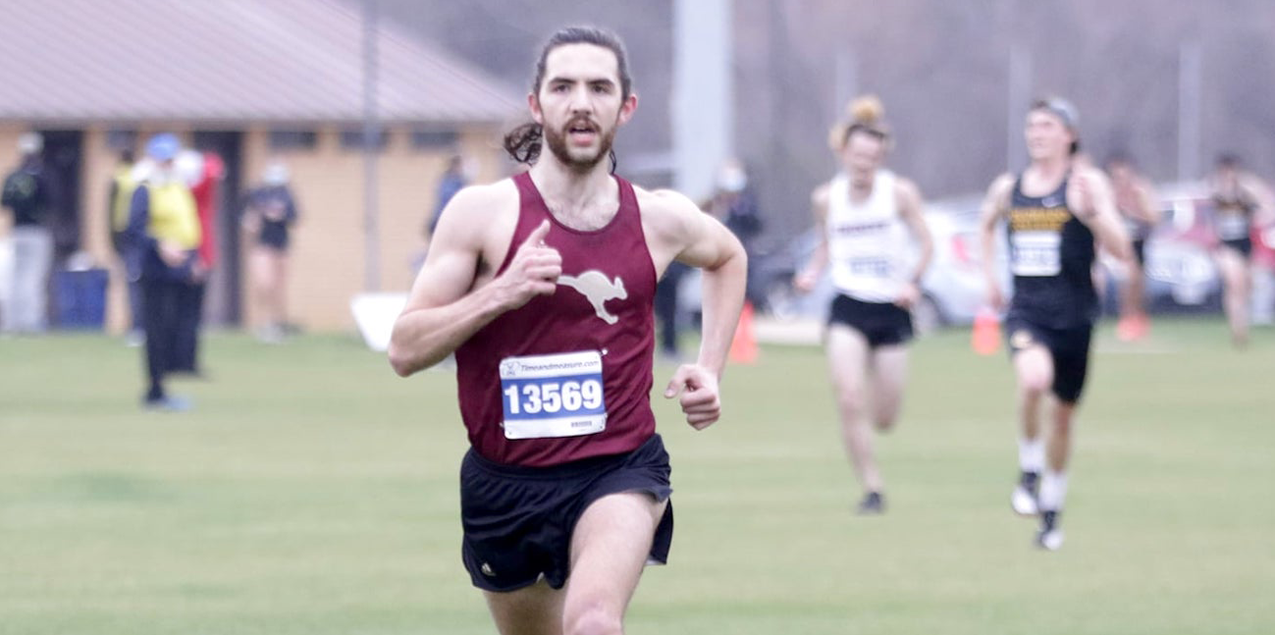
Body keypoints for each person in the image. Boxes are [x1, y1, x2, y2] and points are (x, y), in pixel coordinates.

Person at [387, 26, 747, 635]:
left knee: (594, 623)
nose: (581, 101)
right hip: (505, 482)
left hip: (619, 466)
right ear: (537, 104)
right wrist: (498, 294)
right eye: (563, 86)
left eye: (599, 87)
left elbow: (728, 257)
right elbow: (404, 348)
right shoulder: (481, 215)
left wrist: (710, 367)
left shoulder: (658, 218)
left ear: (624, 108)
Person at [979, 98, 1133, 550]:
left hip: (1075, 317)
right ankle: (1028, 470)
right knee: (1033, 379)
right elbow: (986, 226)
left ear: (1069, 134)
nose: (1037, 133)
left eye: (1047, 125)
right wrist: (989, 275)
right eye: (1031, 126)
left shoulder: (1086, 184)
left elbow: (1123, 249)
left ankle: (1052, 510)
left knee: (1063, 420)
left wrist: (1094, 215)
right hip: (1028, 311)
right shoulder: (1009, 188)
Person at [793, 95, 933, 515]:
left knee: (885, 417)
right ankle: (872, 487)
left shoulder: (900, 193)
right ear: (842, 152)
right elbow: (826, 245)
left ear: (882, 156)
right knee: (850, 396)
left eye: (872, 157)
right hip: (848, 306)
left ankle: (873, 424)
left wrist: (913, 283)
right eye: (857, 155)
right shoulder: (826, 198)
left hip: (891, 307)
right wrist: (812, 273)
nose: (863, 164)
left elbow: (927, 243)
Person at [125, 133, 202, 411]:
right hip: (155, 271)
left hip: (178, 270)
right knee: (155, 332)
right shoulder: (145, 189)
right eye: (163, 159)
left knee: (171, 329)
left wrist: (193, 259)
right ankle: (155, 391)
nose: (168, 164)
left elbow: (187, 227)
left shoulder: (177, 187)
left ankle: (164, 387)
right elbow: (134, 231)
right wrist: (161, 245)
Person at [1206, 153, 1275, 348]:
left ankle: (1244, 322)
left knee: (1246, 286)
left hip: (1248, 243)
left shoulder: (1247, 189)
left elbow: (1266, 208)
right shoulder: (1215, 190)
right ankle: (1238, 329)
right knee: (1234, 283)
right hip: (1227, 245)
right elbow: (1209, 215)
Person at [171, 149, 224, 374]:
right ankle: (184, 362)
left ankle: (184, 361)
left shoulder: (178, 193)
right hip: (194, 258)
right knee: (187, 315)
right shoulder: (193, 194)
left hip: (192, 257)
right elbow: (214, 167)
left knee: (186, 315)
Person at [1105, 153, 1161, 341]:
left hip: (1139, 242)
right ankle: (1126, 320)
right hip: (1120, 244)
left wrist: (1135, 211)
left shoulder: (1141, 190)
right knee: (1126, 280)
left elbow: (1154, 218)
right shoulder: (1109, 192)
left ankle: (1138, 318)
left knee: (1138, 284)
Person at [1, 132, 53, 334]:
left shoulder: (13, 176)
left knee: (15, 277)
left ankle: (13, 322)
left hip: (16, 231)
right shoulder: (41, 175)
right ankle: (31, 321)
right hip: (36, 232)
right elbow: (50, 202)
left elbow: (5, 202)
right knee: (34, 277)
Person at [242, 161, 299, 343]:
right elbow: (246, 217)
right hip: (262, 245)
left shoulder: (287, 195)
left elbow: (294, 217)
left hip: (281, 246)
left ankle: (277, 324)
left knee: (278, 287)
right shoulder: (257, 193)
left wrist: (279, 215)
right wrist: (254, 220)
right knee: (264, 285)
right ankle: (263, 322)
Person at [705, 158, 765, 310]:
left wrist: (739, 209)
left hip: (742, 255)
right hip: (717, 258)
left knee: (743, 295)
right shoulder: (714, 203)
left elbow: (757, 225)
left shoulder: (746, 206)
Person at [107, 148, 144, 345]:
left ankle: (137, 327)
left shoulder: (118, 178)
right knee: (139, 281)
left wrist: (112, 241)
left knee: (133, 282)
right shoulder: (141, 177)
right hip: (142, 235)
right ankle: (139, 326)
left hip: (125, 235)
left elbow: (111, 212)